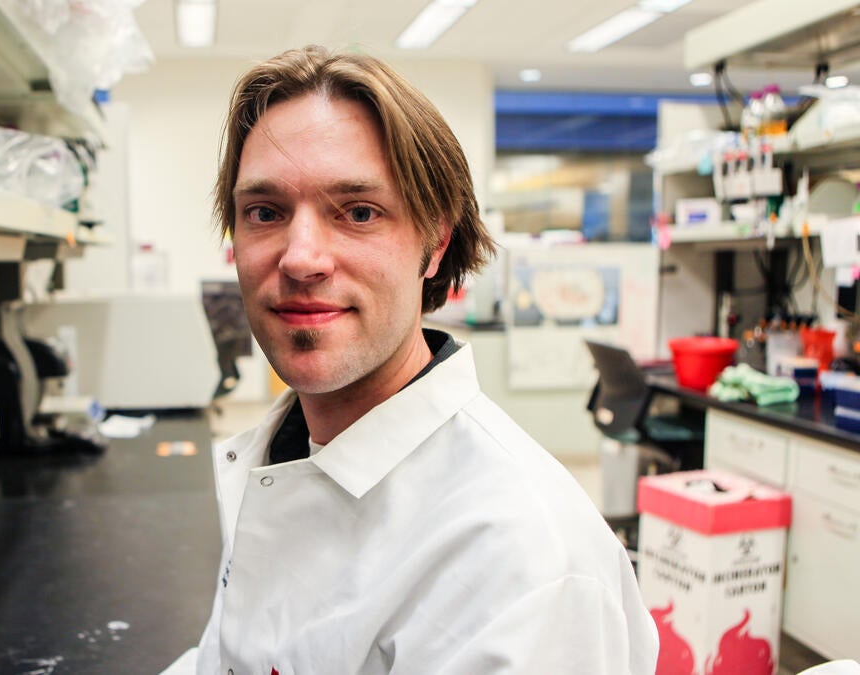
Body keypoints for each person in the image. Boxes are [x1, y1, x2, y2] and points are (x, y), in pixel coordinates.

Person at [192, 46, 658, 674]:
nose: (300, 258)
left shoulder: (523, 564)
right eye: (265, 213)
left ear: (434, 245)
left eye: (358, 212)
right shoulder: (288, 449)